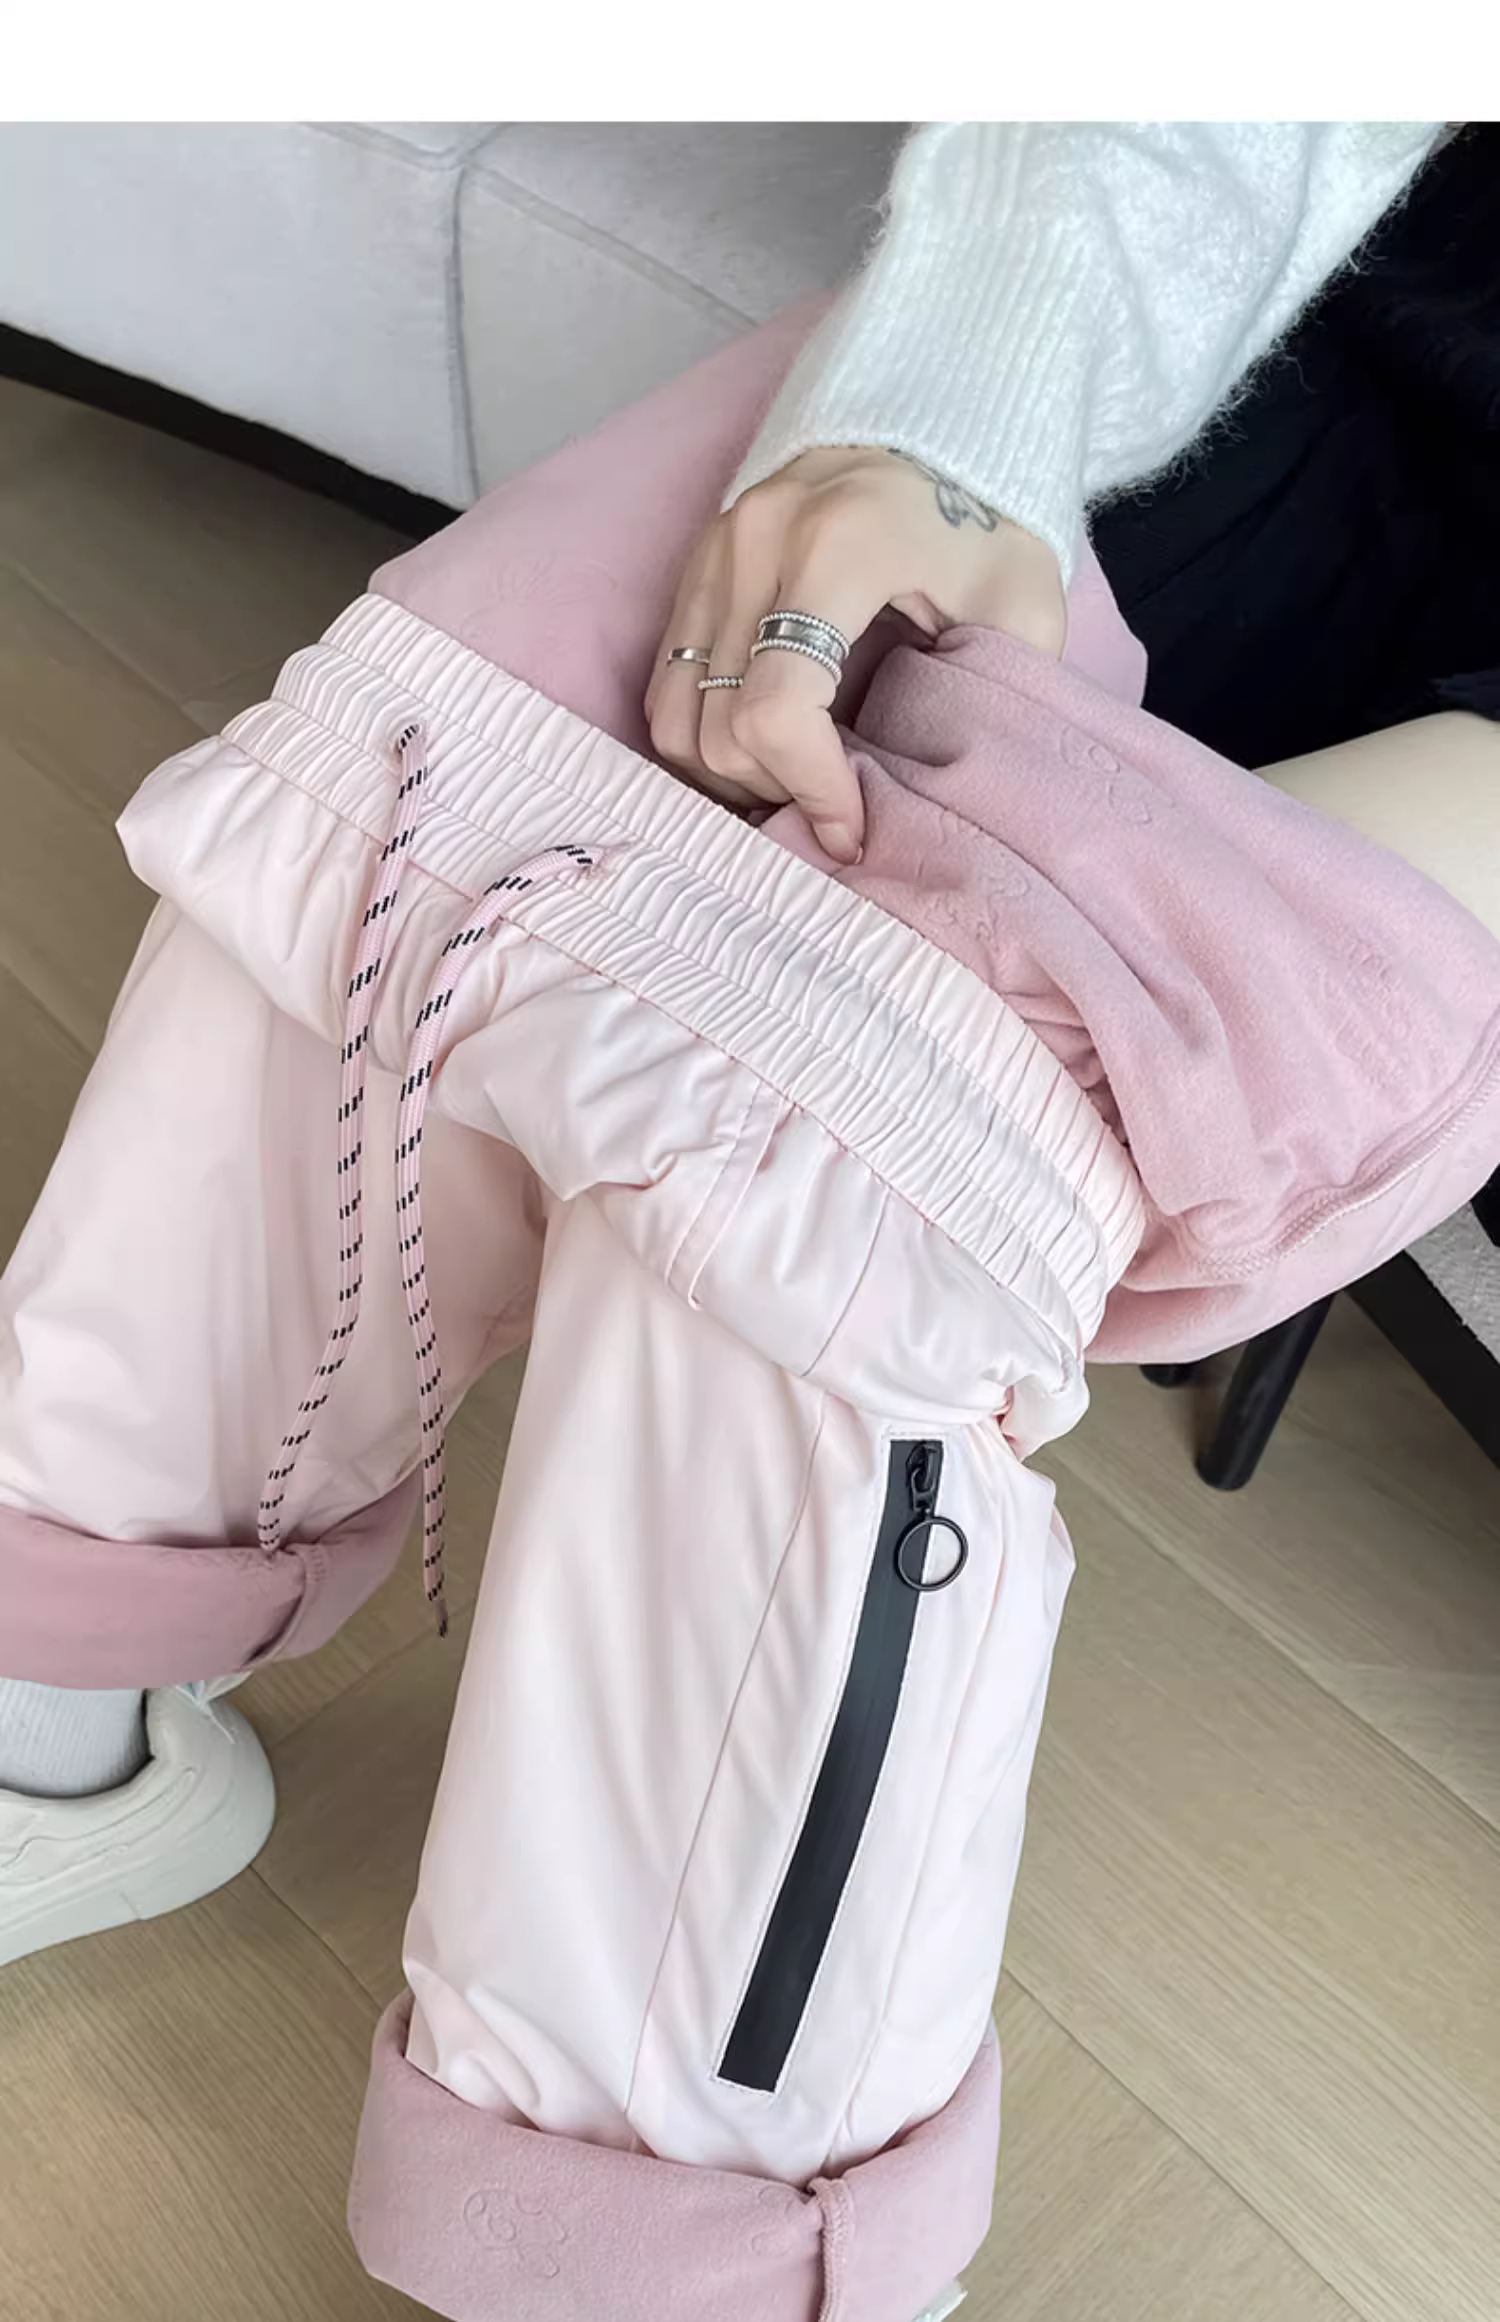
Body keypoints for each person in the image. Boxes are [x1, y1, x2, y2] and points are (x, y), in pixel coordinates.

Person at [3, 118, 1494, 2322]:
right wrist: (955, 392)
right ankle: (50, 1711)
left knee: (862, 1149)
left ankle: (637, 2246)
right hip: (1332, 325)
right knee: (459, 767)